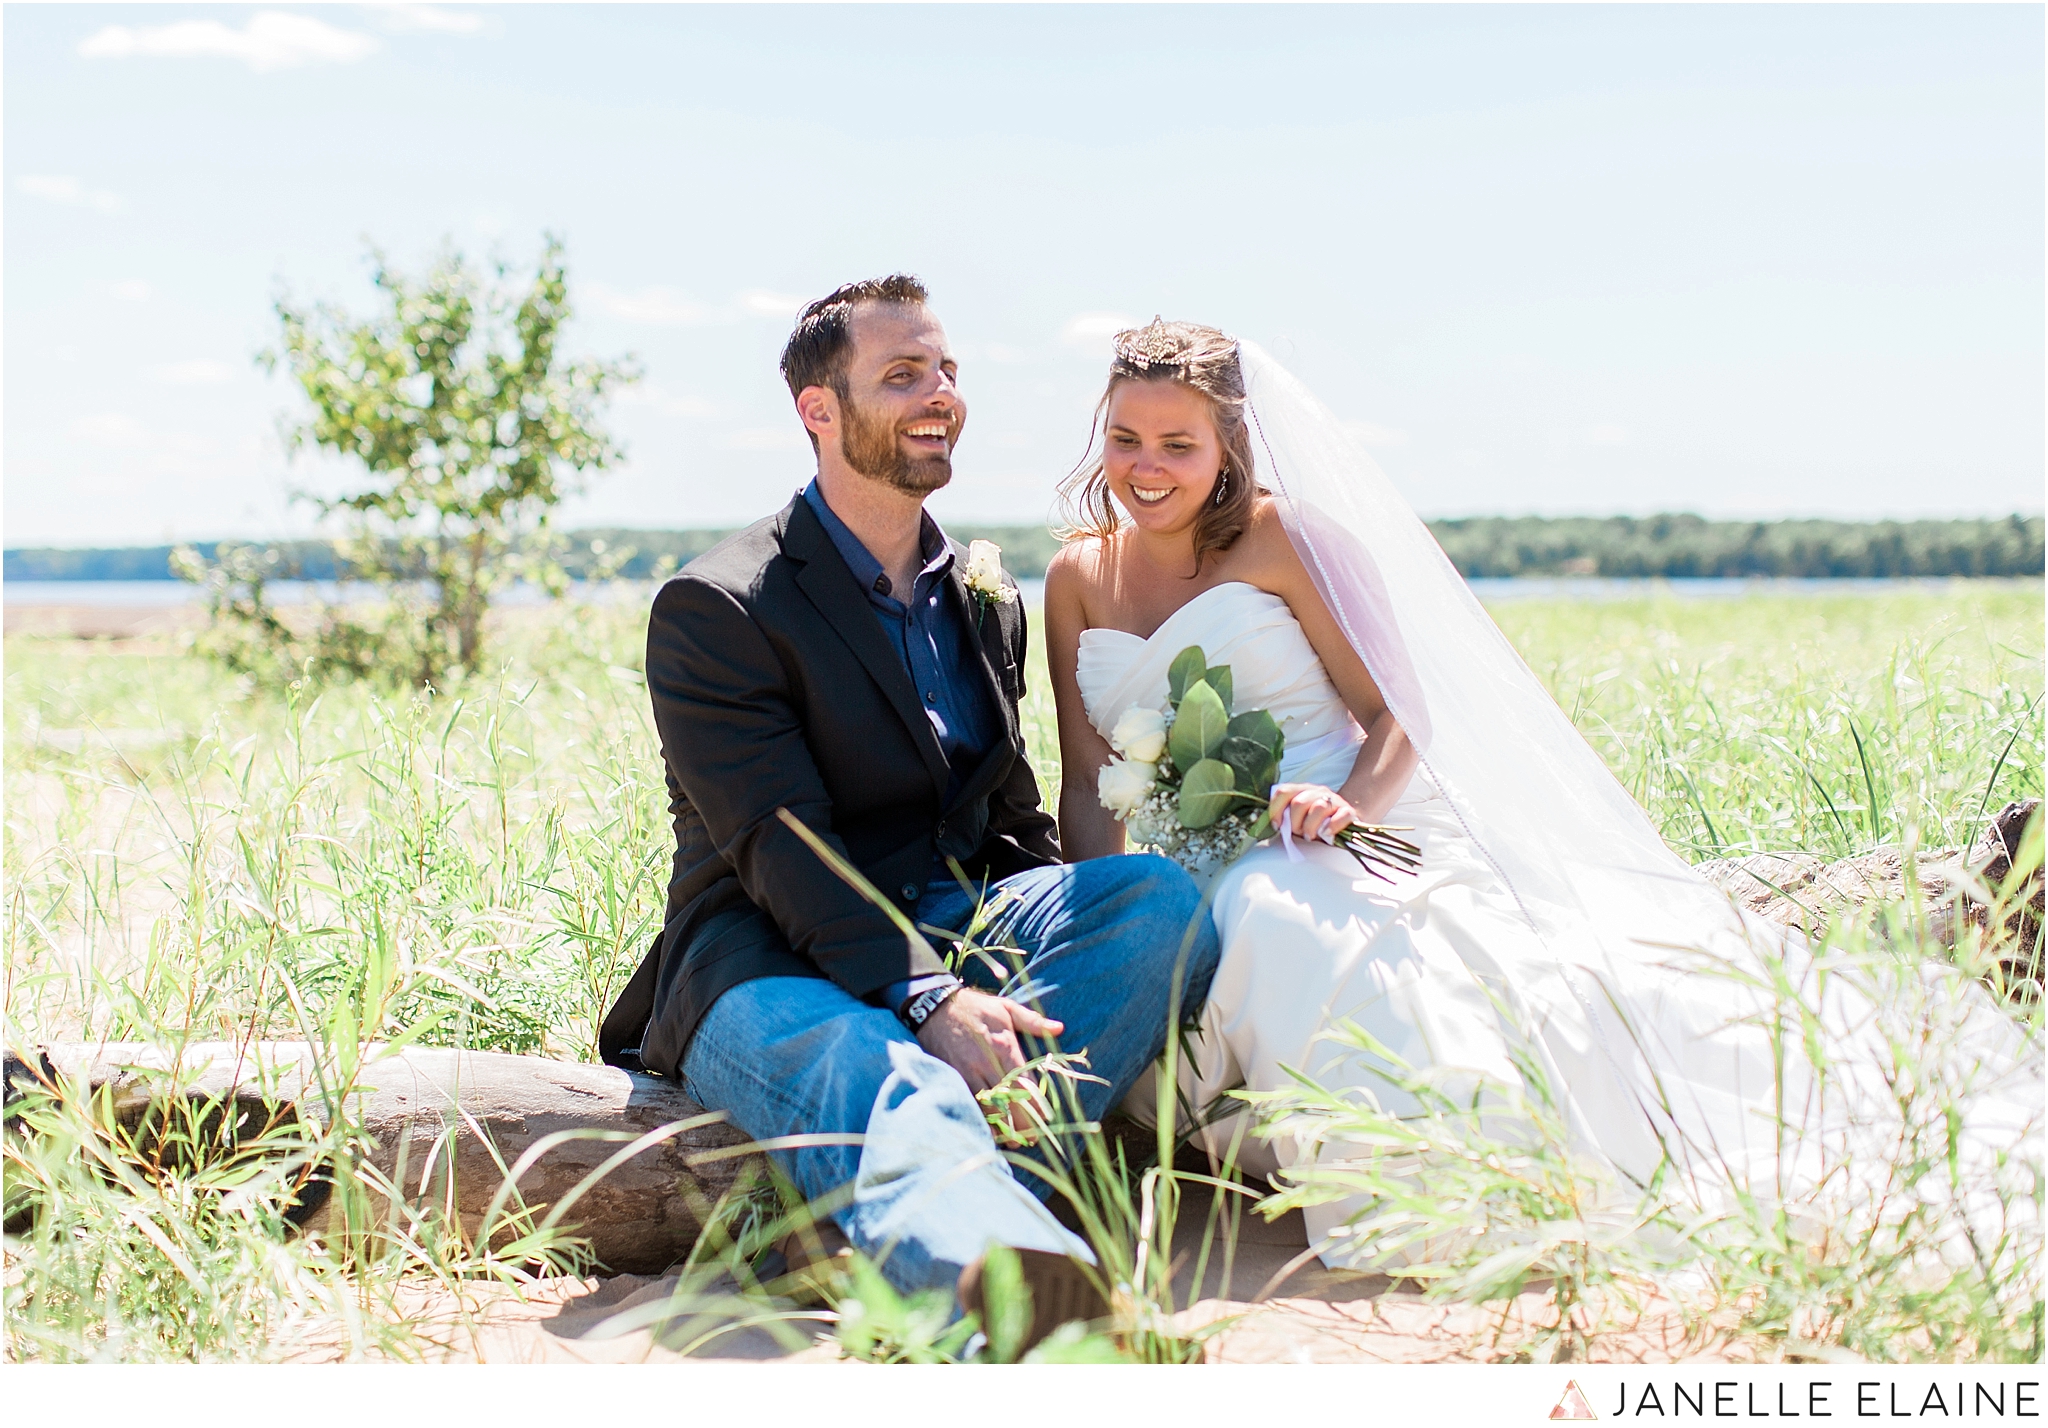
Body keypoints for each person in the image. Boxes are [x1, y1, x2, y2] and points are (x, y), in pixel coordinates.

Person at [1045, 319, 2039, 1268]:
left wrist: (1347, 807)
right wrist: (1107, 911)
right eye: (1125, 437)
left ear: (1227, 442)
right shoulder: (1075, 577)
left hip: (1338, 825)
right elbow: (1088, 782)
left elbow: (1398, 719)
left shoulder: (1280, 540)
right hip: (1180, 869)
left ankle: (1444, 1173)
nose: (1144, 466)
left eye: (1176, 443)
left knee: (1281, 915)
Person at [598, 278, 1221, 1331]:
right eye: (902, 375)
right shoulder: (718, 605)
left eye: (944, 371)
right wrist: (933, 1002)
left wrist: (1041, 951)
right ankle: (1037, 1313)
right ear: (819, 412)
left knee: (1157, 904)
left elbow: (1008, 818)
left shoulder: (979, 593)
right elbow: (778, 846)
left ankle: (887, 1233)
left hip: (957, 920)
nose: (939, 394)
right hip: (765, 953)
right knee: (880, 1068)